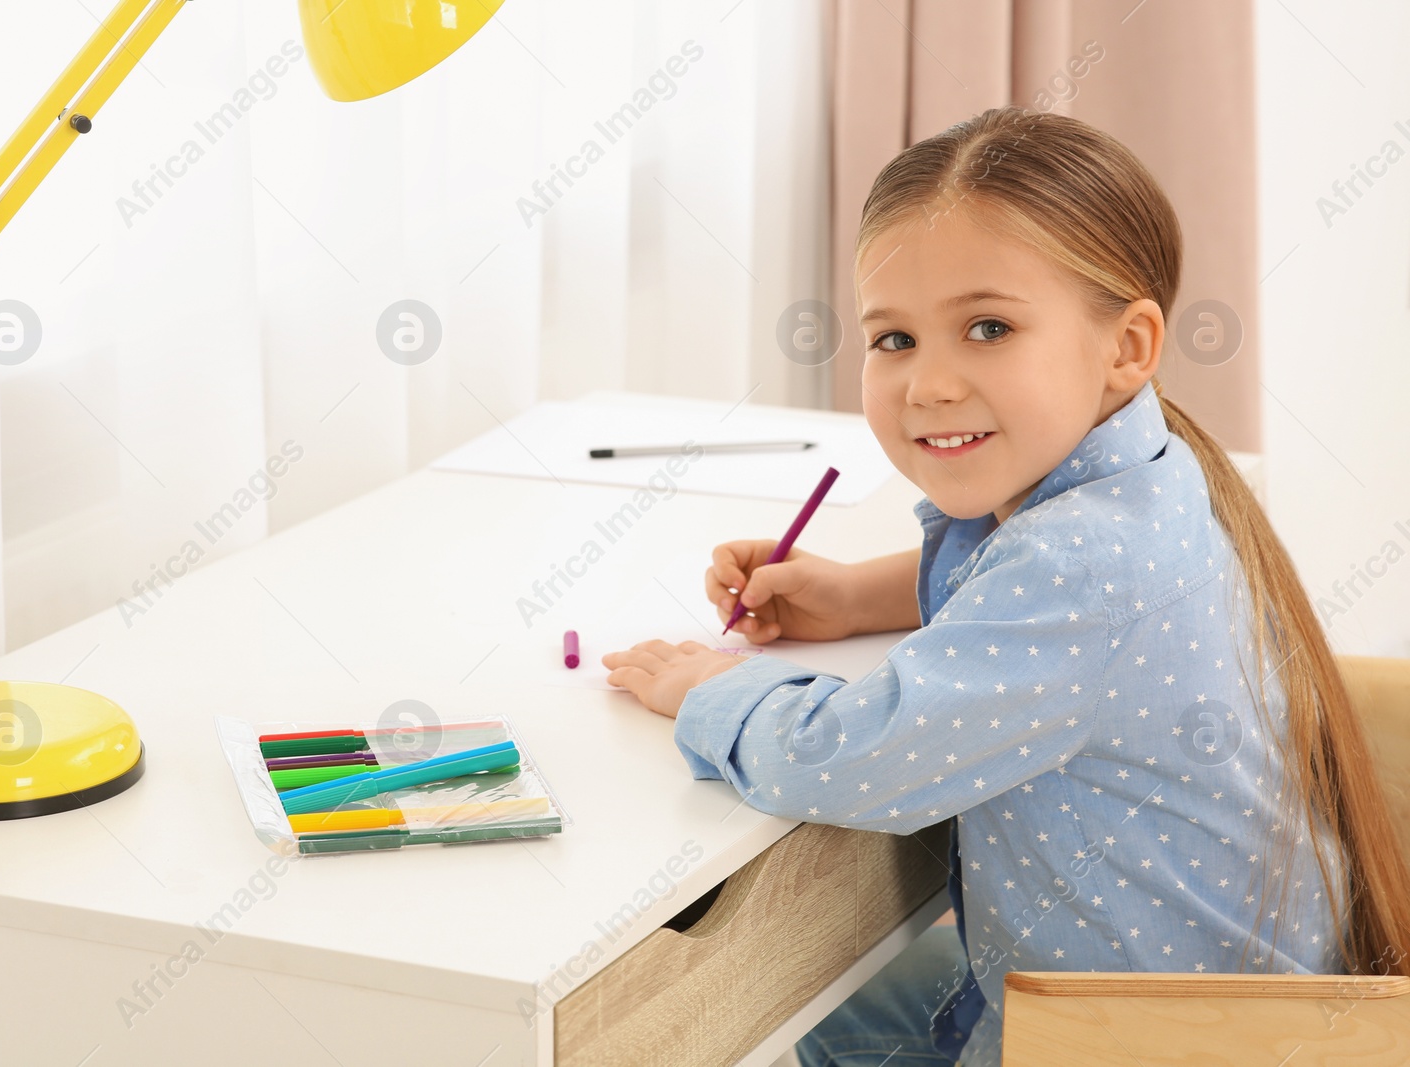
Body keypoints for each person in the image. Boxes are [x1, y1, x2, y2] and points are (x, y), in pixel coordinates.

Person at [601, 107, 1410, 1067]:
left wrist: (708, 689)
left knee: (735, 1033)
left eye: (988, 328)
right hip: (1226, 1012)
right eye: (893, 338)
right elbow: (1034, 603)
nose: (929, 383)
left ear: (1127, 345)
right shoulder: (1149, 474)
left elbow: (851, 763)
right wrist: (859, 596)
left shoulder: (1081, 561)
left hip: (1151, 1046)